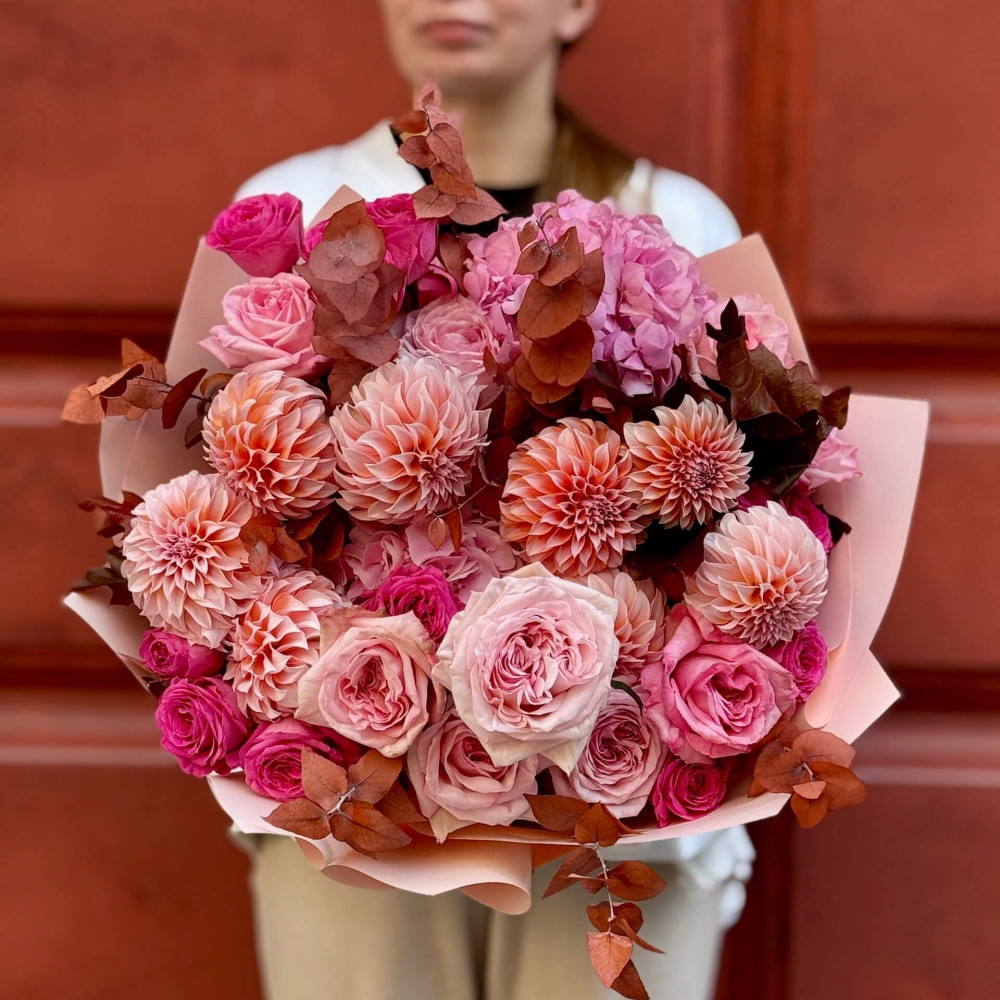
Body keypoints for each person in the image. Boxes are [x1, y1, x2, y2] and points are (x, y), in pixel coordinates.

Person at [235, 3, 754, 998]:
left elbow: (754, 491)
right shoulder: (296, 203)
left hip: (618, 802)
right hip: (361, 802)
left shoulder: (677, 221)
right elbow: (232, 503)